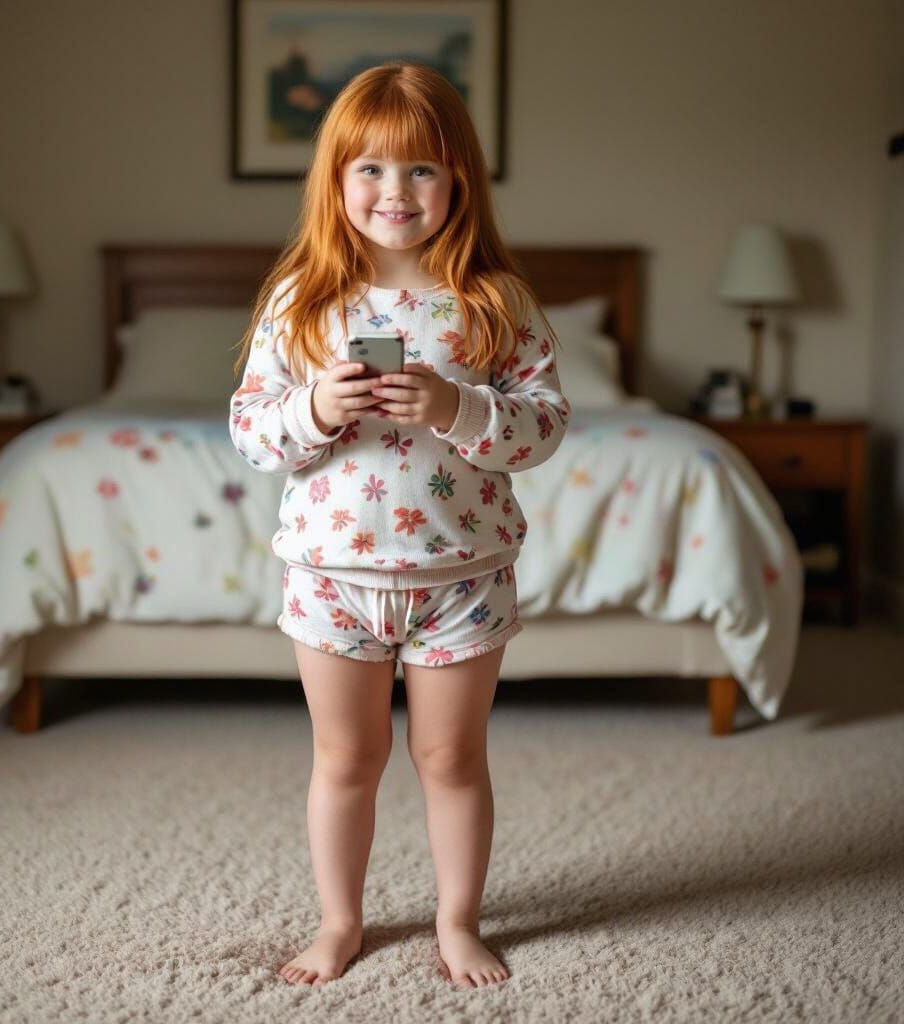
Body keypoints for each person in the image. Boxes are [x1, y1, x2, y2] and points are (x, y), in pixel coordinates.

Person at [229, 61, 570, 989]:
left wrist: (458, 408)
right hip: (334, 575)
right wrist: (314, 408)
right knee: (345, 760)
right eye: (370, 169)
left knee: (452, 758)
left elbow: (542, 426)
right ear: (335, 180)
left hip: (461, 575)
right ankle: (341, 921)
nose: (395, 191)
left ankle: (457, 922)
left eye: (422, 169)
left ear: (459, 178)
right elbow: (254, 432)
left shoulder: (494, 302)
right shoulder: (302, 298)